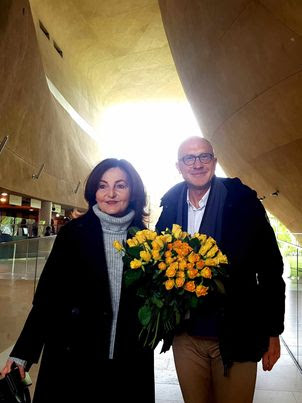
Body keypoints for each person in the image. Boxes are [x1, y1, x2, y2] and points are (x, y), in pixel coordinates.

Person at [1, 158, 155, 403]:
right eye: (103, 186)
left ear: (133, 191)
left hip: (128, 359)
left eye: (120, 185)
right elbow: (47, 299)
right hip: (75, 356)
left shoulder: (147, 240)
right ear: (94, 192)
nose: (111, 193)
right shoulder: (73, 234)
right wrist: (23, 353)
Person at [156, 136, 285, 403]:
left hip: (237, 332)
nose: (197, 164)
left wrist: (273, 331)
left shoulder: (243, 202)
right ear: (178, 166)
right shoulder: (170, 205)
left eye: (204, 156)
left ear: (214, 162)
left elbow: (271, 267)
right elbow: (158, 264)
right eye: (189, 158)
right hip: (187, 337)